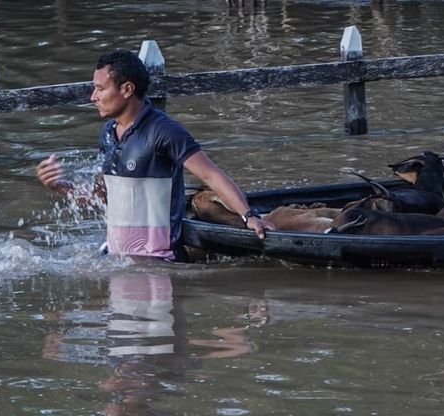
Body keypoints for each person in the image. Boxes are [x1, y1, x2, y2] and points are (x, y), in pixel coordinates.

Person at [36, 49, 273, 261]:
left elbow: (210, 175)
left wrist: (249, 216)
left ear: (127, 89)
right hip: (118, 258)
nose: (93, 97)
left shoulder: (164, 131)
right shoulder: (108, 132)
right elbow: (106, 197)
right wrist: (60, 187)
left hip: (159, 261)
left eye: (100, 89)